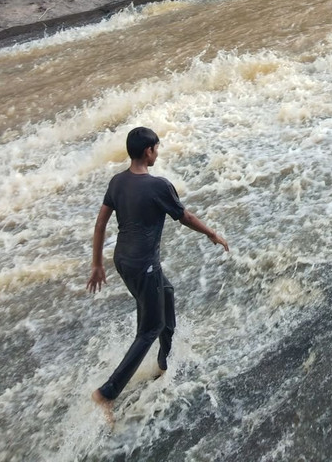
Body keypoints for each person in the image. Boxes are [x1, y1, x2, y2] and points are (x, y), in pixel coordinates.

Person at [87, 127, 229, 419]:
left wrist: (97, 264)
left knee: (166, 293)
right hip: (143, 265)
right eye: (156, 148)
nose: (158, 152)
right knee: (149, 328)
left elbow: (100, 224)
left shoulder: (117, 182)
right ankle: (107, 393)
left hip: (122, 261)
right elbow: (185, 217)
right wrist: (212, 234)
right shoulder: (158, 186)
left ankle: (164, 361)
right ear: (148, 152)